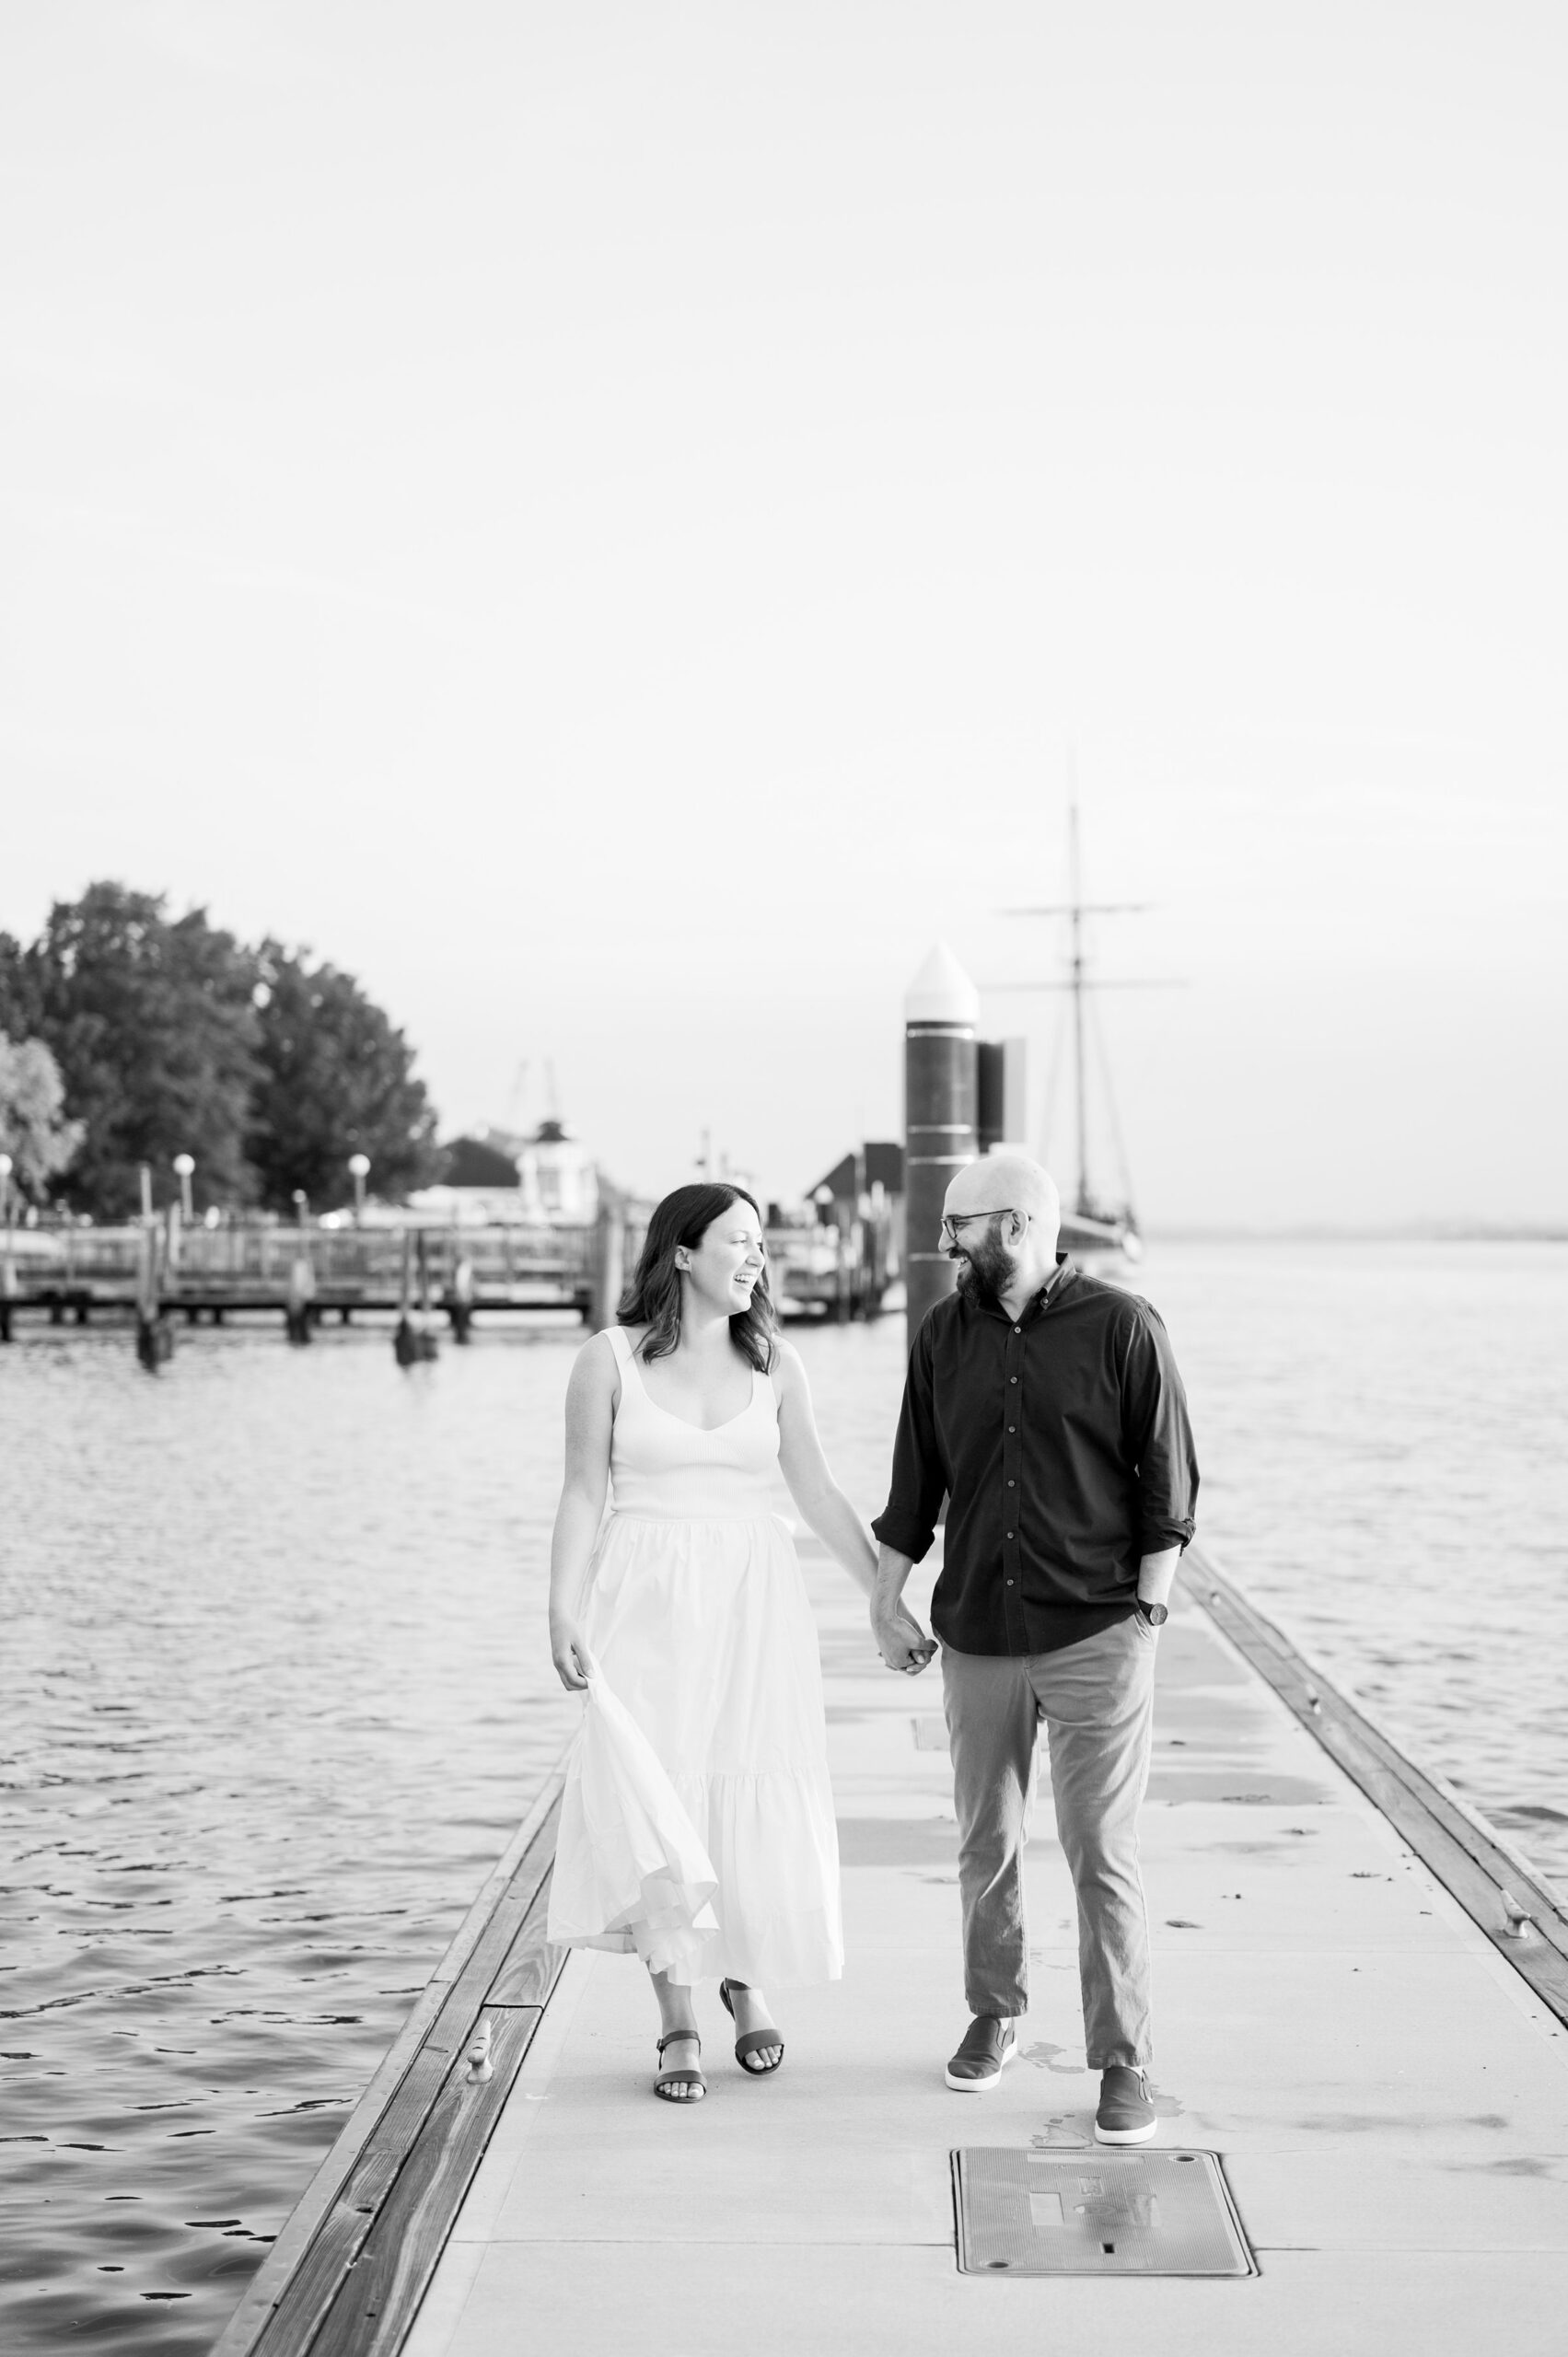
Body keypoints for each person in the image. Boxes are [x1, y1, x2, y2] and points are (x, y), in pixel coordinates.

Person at [869, 1154, 1198, 2145]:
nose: (944, 1245)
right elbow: (912, 1484)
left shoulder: (1121, 1326)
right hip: (977, 1632)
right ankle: (995, 2010)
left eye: (956, 1227)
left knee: (1101, 1849)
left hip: (1096, 1632)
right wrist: (886, 1598)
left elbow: (1168, 1478)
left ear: (1012, 1225)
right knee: (985, 1840)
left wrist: (1145, 1608)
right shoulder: (941, 1335)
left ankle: (1122, 2056)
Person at [547, 1182, 885, 2103]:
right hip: (643, 1596)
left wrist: (883, 1600)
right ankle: (676, 2013)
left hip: (752, 1602)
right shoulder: (605, 1360)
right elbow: (582, 1491)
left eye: (760, 1244)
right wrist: (561, 1609)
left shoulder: (775, 1362)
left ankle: (745, 1974)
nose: (756, 1257)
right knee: (661, 1796)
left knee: (744, 1778)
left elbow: (816, 1494)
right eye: (738, 1240)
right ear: (682, 1253)